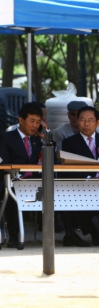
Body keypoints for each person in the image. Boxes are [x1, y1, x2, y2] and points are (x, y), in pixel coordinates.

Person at [0, 102, 44, 249]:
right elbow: (1, 165)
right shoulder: (6, 138)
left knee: (58, 190)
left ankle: (67, 233)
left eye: (38, 122)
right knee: (13, 192)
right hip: (9, 182)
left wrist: (46, 141)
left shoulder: (39, 140)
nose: (35, 125)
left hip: (33, 182)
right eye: (32, 121)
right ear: (21, 120)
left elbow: (49, 161)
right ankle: (14, 236)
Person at [60, 106, 99, 247]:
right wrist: (89, 178)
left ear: (97, 122)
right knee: (69, 192)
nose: (86, 124)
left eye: (90, 120)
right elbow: (69, 169)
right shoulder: (69, 142)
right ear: (77, 121)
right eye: (82, 120)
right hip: (82, 183)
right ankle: (91, 232)